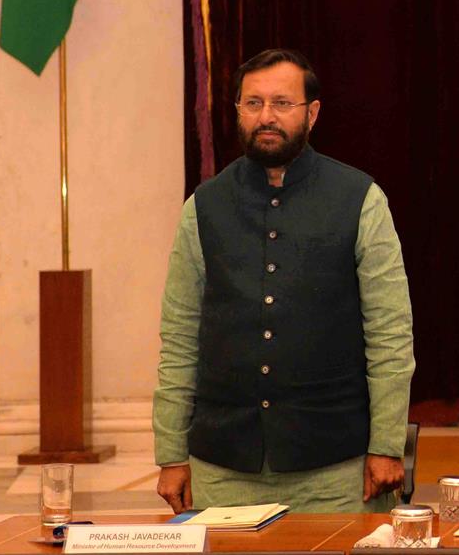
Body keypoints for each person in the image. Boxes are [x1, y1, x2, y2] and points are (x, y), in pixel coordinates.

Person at [153, 49, 415, 513]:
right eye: (252, 104)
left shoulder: (360, 199)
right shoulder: (204, 206)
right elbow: (179, 338)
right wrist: (172, 453)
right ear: (237, 111)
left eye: (281, 103)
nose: (266, 117)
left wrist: (387, 443)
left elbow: (390, 334)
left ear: (311, 113)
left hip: (336, 471)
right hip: (224, 469)